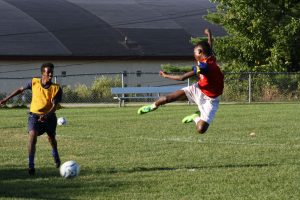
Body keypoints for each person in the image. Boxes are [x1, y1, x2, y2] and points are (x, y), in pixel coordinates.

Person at [137, 28, 224, 134]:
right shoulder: (210, 57)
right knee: (167, 98)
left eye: (194, 52)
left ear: (200, 52)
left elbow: (182, 78)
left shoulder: (204, 66)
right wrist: (209, 34)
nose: (194, 55)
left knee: (201, 129)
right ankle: (153, 106)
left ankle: (195, 117)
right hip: (198, 89)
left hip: (211, 100)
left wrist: (166, 75)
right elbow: (209, 45)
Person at [0, 63, 62, 175]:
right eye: (48, 72)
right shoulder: (34, 82)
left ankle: (55, 154)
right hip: (34, 116)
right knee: (32, 136)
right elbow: (20, 89)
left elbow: (54, 107)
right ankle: (31, 165)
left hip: (49, 117)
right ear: (42, 73)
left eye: (52, 72)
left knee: (51, 138)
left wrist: (46, 115)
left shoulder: (56, 88)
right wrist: (6, 99)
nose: (51, 74)